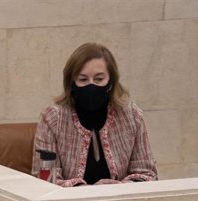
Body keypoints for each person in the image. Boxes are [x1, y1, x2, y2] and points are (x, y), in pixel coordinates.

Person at [31, 42, 157, 186]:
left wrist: (119, 188)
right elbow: (45, 181)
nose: (91, 85)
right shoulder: (52, 118)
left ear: (111, 82)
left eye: (99, 79)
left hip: (120, 198)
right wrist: (88, 191)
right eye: (83, 79)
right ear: (72, 83)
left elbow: (148, 175)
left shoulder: (132, 116)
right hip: (72, 200)